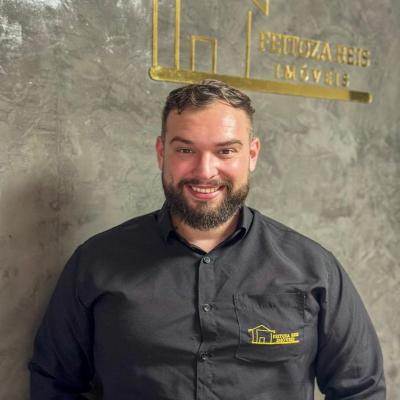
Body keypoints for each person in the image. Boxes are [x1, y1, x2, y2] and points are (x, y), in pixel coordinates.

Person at [29, 80, 386, 399]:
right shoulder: (95, 263)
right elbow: (54, 383)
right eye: (186, 150)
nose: (205, 171)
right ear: (161, 152)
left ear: (252, 154)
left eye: (225, 151)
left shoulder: (313, 268)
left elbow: (360, 389)